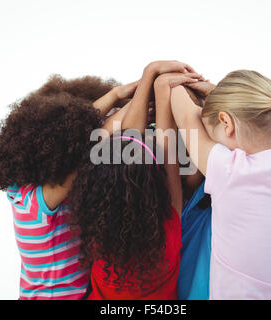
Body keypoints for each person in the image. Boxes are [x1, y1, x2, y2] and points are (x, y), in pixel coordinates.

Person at [170, 70, 271, 299]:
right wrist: (221, 97)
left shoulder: (232, 171)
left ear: (226, 122)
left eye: (212, 133)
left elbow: (186, 118)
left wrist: (174, 80)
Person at [0, 74, 137, 299]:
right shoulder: (37, 204)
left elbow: (72, 132)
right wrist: (137, 103)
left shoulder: (18, 189)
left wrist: (114, 96)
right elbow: (94, 144)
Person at [68, 61, 201, 299]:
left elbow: (97, 145)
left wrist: (149, 73)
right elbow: (168, 151)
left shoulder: (94, 233)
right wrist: (161, 87)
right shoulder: (169, 232)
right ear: (154, 186)